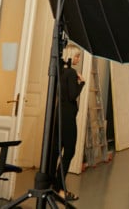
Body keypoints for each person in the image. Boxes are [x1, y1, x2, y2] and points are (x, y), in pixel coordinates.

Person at [53, 44, 85, 201]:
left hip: (59, 115)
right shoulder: (71, 73)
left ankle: (54, 186)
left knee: (55, 151)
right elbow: (73, 95)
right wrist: (82, 83)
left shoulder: (60, 71)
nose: (78, 59)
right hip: (67, 117)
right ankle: (59, 188)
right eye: (77, 56)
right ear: (70, 56)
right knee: (70, 151)